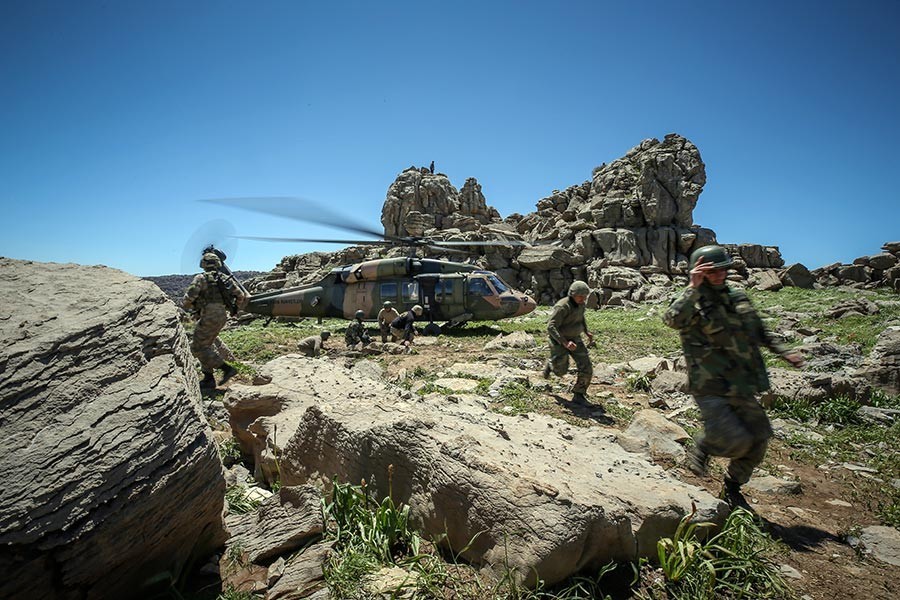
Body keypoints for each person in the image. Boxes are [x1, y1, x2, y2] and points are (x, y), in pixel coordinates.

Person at [663, 245, 804, 510]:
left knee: (759, 438)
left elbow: (760, 332)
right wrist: (692, 287)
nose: (718, 275)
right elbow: (671, 320)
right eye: (711, 271)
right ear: (700, 272)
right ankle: (705, 444)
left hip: (742, 383)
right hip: (710, 385)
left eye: (722, 269)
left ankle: (732, 486)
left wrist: (785, 353)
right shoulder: (693, 301)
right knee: (735, 440)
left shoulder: (738, 298)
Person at [183, 251, 248, 389]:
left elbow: (188, 298)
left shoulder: (200, 278)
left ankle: (226, 369)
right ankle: (208, 378)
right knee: (206, 345)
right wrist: (234, 309)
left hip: (209, 315)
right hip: (221, 315)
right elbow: (240, 295)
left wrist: (191, 309)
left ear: (203, 264)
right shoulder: (225, 278)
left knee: (197, 347)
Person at [544, 281, 594, 404]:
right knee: (561, 371)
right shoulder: (562, 306)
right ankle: (551, 365)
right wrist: (565, 343)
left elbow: (581, 318)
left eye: (585, 297)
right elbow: (551, 326)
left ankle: (579, 394)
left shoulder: (581, 304)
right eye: (580, 296)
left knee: (586, 366)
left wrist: (586, 332)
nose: (583, 299)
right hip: (559, 340)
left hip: (575, 339)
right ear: (572, 294)